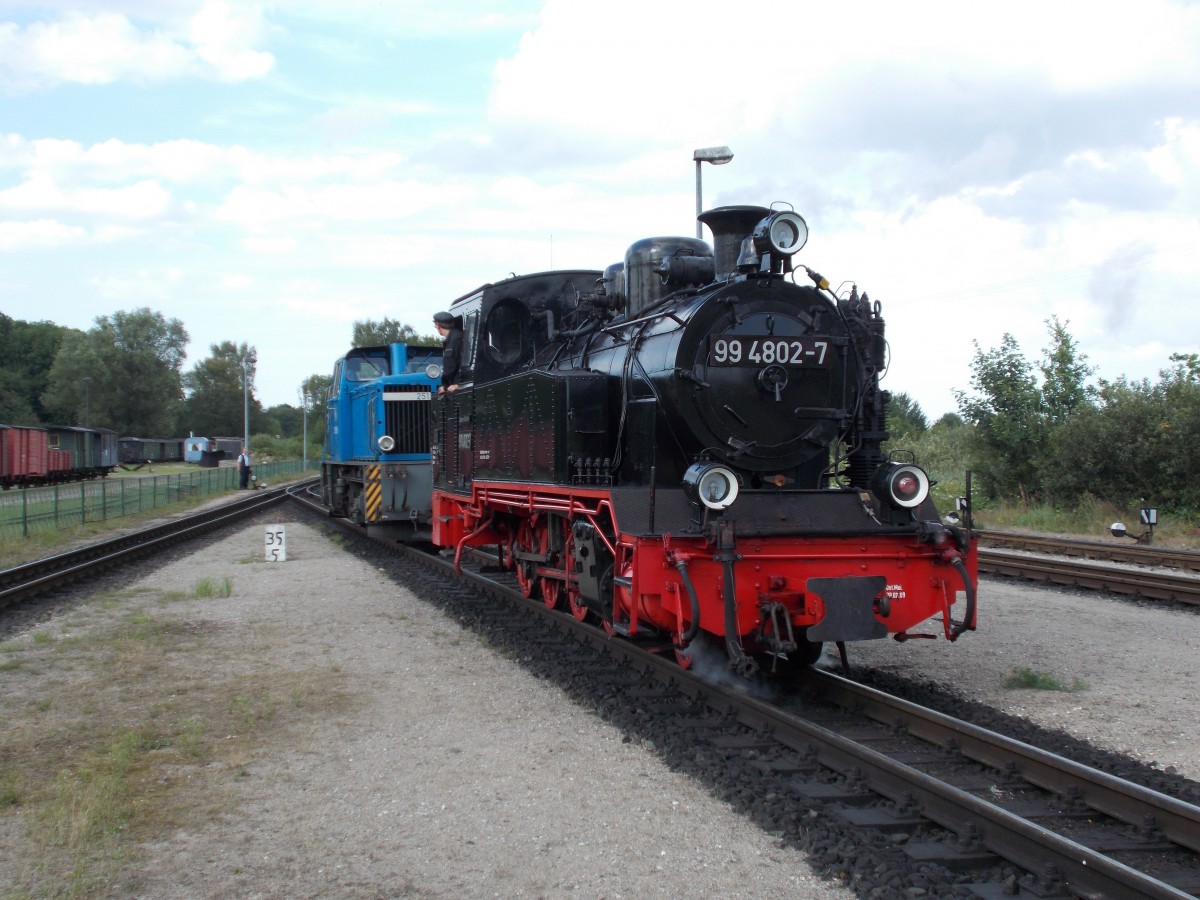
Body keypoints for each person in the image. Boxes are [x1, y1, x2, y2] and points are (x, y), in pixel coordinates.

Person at [433, 311, 463, 394]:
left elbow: (452, 365)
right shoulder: (453, 338)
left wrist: (445, 386)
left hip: (459, 383)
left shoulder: (456, 339)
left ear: (438, 325)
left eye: (435, 325)